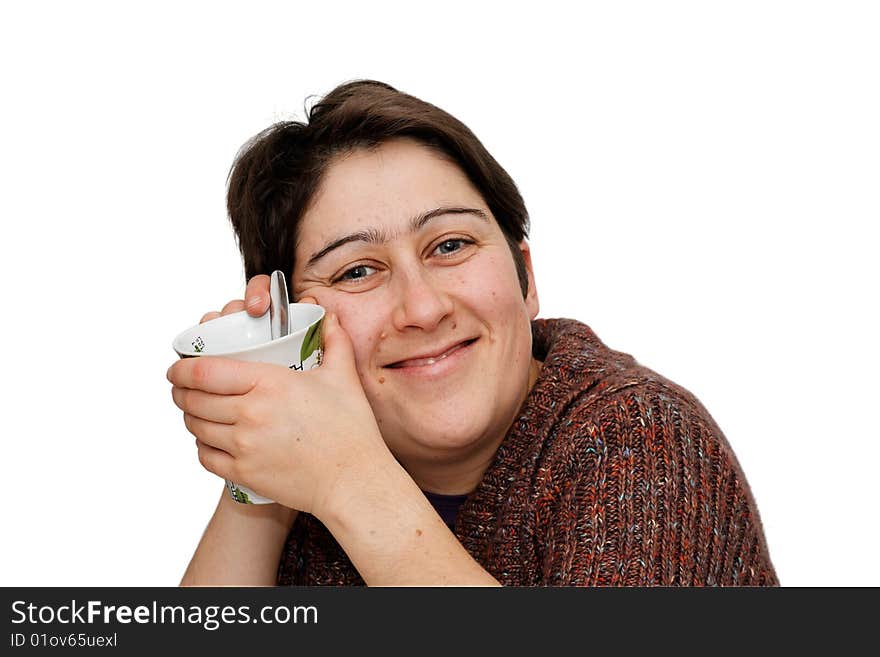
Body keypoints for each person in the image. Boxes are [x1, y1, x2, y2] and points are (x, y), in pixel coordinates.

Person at [167, 79, 778, 586]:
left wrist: (351, 485)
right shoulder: (318, 462)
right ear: (298, 325)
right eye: (357, 270)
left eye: (451, 245)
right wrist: (256, 467)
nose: (424, 308)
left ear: (525, 278)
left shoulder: (641, 436)